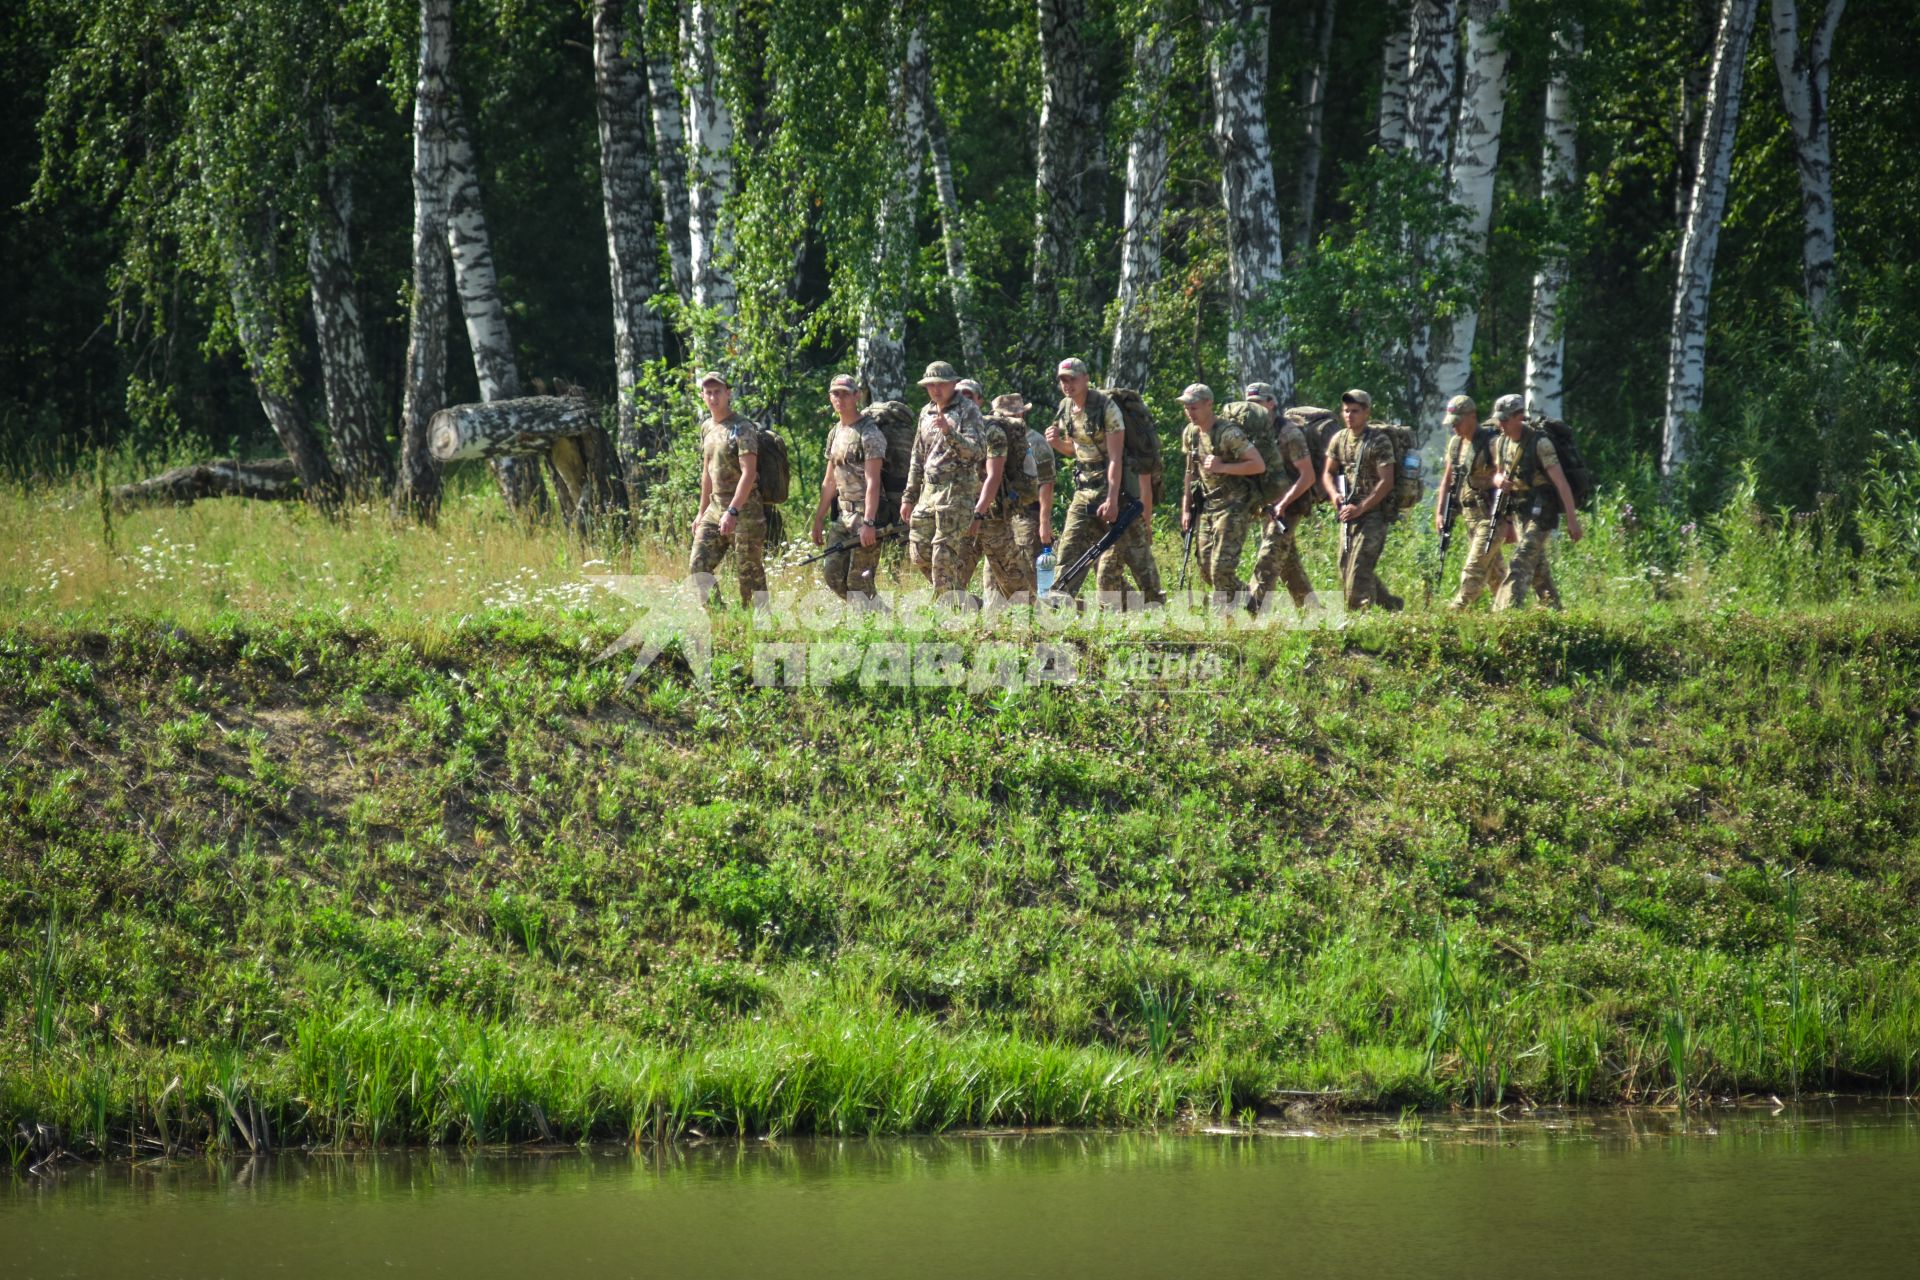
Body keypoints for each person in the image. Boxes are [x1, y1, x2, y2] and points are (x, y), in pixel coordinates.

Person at [1044, 357, 1163, 606]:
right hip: (1084, 487)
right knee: (1070, 543)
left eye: (1073, 379)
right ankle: (1059, 597)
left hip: (1116, 489)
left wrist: (1111, 499)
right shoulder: (1066, 407)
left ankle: (1154, 601)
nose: (1068, 385)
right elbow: (1078, 450)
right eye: (1063, 380)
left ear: (1086, 378)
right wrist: (1057, 444)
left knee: (1137, 553)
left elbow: (1115, 458)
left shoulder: (1107, 408)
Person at [898, 361, 991, 599]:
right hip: (929, 490)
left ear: (953, 384)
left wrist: (950, 433)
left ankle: (945, 611)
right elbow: (917, 456)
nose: (936, 390)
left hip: (956, 490)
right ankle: (961, 599)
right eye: (931, 385)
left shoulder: (968, 410)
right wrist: (909, 496)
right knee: (919, 550)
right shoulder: (926, 412)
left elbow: (978, 451)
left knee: (943, 554)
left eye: (941, 384)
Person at [1176, 384, 1266, 609]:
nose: (1190, 412)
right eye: (1187, 408)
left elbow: (1258, 465)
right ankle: (1251, 602)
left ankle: (1227, 622)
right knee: (1207, 568)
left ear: (1209, 405)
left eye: (1194, 407)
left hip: (1233, 505)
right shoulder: (1191, 433)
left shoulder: (1229, 433)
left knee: (1221, 570)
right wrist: (1186, 508)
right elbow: (1190, 472)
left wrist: (1222, 466)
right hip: (1208, 506)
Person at [1489, 393, 1581, 610]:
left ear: (1519, 416)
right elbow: (1497, 474)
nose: (1500, 424)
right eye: (1498, 419)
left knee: (1520, 561)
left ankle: (1505, 614)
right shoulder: (1501, 442)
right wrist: (1499, 480)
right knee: (1538, 570)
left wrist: (1572, 521)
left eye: (1504, 419)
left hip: (1542, 509)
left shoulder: (1541, 444)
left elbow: (1561, 484)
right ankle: (1556, 614)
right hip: (1521, 510)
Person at [687, 369, 767, 607]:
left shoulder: (742, 427)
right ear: (702, 395)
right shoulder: (707, 428)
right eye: (708, 392)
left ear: (728, 393)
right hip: (715, 507)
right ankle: (720, 620)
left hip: (745, 510)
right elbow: (707, 472)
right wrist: (702, 512)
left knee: (748, 574)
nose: (713, 397)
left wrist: (732, 511)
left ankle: (760, 627)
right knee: (698, 567)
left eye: (718, 392)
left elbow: (749, 473)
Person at [1320, 388, 1404, 612]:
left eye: (1355, 411)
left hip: (1373, 514)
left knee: (1358, 570)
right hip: (1348, 511)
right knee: (1345, 566)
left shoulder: (1379, 441)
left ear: (1367, 412)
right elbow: (1328, 472)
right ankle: (1391, 606)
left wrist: (1361, 508)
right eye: (1346, 411)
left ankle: (1360, 622)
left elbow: (1386, 481)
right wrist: (1335, 495)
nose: (1349, 416)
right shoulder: (1339, 439)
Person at [1242, 381, 1321, 615]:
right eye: (1250, 404)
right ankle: (1313, 614)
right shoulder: (1253, 431)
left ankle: (1253, 616)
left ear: (1271, 403)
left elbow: (1307, 476)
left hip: (1290, 507)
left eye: (1258, 403)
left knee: (1268, 560)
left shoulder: (1289, 434)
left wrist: (1283, 503)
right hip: (1268, 507)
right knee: (1288, 565)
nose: (1254, 408)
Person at [810, 373, 887, 603]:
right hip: (843, 515)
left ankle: (874, 627)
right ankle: (876, 614)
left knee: (858, 582)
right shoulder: (835, 432)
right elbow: (830, 481)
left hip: (866, 515)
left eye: (845, 394)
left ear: (857, 396)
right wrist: (819, 519)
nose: (839, 399)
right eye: (835, 393)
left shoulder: (869, 433)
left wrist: (869, 523)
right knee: (832, 575)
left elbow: (874, 481)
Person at [1434, 394, 1507, 610]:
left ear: (1472, 416)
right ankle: (1510, 614)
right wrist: (1440, 513)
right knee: (1496, 574)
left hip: (1491, 517)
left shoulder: (1492, 443)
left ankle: (1454, 613)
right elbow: (1447, 481)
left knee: (1473, 569)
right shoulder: (1456, 444)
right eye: (1451, 423)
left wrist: (1510, 522)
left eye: (1458, 422)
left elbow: (1508, 480)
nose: (1454, 427)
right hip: (1470, 518)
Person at [995, 393, 1055, 566]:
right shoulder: (998, 440)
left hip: (1027, 515)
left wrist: (1044, 522)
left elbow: (1047, 483)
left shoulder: (1036, 442)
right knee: (997, 573)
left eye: (1007, 416)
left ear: (1020, 415)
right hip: (1003, 515)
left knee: (1028, 567)